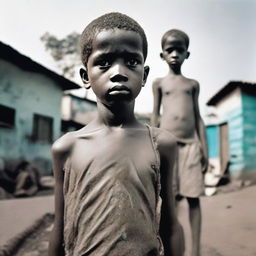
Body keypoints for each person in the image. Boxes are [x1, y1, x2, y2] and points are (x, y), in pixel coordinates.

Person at [48, 13, 184, 256]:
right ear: (85, 76)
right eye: (104, 62)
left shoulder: (161, 144)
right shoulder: (67, 148)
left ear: (144, 75)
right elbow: (59, 230)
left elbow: (171, 225)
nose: (119, 72)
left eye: (132, 62)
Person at [151, 29, 208, 256]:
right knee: (169, 201)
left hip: (191, 147)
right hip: (167, 148)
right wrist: (152, 143)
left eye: (180, 50)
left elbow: (199, 118)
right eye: (169, 50)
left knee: (194, 199)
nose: (175, 54)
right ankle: (169, 247)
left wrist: (205, 147)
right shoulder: (159, 83)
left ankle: (195, 250)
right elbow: (155, 116)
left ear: (187, 54)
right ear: (162, 55)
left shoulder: (192, 84)